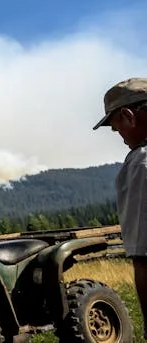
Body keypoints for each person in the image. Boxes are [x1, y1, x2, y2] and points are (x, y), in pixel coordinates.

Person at [93, 77, 147, 334]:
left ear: (129, 116)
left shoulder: (140, 164)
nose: (120, 136)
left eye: (117, 128)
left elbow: (144, 256)